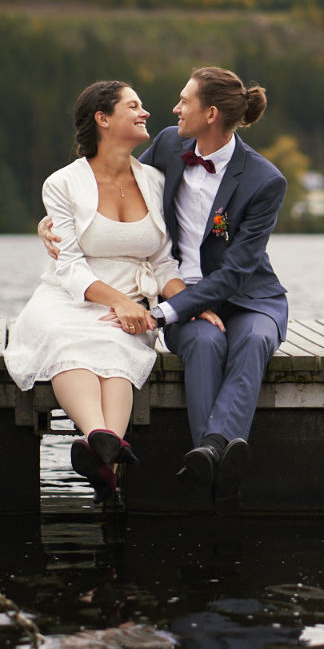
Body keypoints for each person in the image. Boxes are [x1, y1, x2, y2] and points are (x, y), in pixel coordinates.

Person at [42, 66, 287, 510]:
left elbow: (236, 273)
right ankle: (214, 455)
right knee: (205, 341)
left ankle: (210, 448)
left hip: (249, 295)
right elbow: (115, 183)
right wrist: (51, 224)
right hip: (181, 289)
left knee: (252, 339)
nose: (174, 108)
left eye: (184, 101)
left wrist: (160, 314)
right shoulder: (171, 146)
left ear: (210, 114)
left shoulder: (264, 180)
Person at [6, 80, 188, 503]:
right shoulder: (63, 184)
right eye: (134, 106)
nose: (145, 112)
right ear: (102, 119)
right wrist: (119, 301)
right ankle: (101, 439)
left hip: (134, 299)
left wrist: (190, 304)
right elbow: (67, 264)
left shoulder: (156, 181)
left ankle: (100, 453)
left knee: (117, 344)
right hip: (70, 295)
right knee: (70, 339)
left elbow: (163, 263)